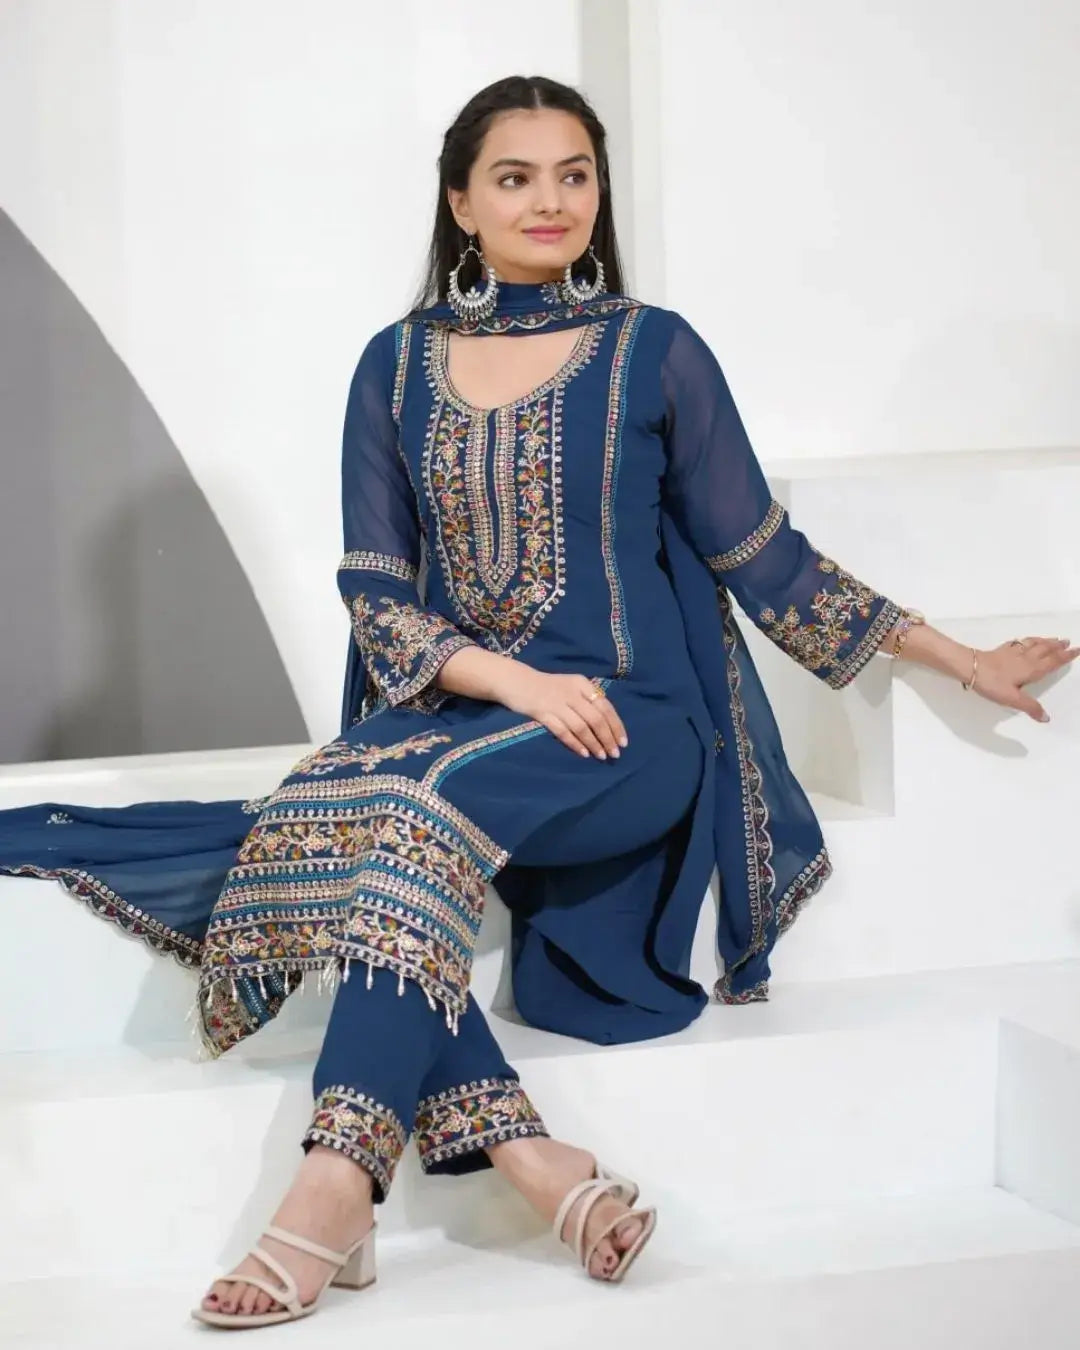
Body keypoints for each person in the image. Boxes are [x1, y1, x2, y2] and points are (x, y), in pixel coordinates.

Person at [1, 74, 1075, 1330]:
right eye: (515, 177)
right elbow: (377, 590)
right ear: (461, 202)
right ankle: (520, 1163)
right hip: (463, 728)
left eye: (575, 174)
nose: (551, 201)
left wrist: (962, 659)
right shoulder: (393, 366)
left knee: (366, 818)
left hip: (631, 734)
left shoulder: (654, 351)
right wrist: (509, 678)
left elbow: (765, 558)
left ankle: (332, 1191)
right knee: (391, 820)